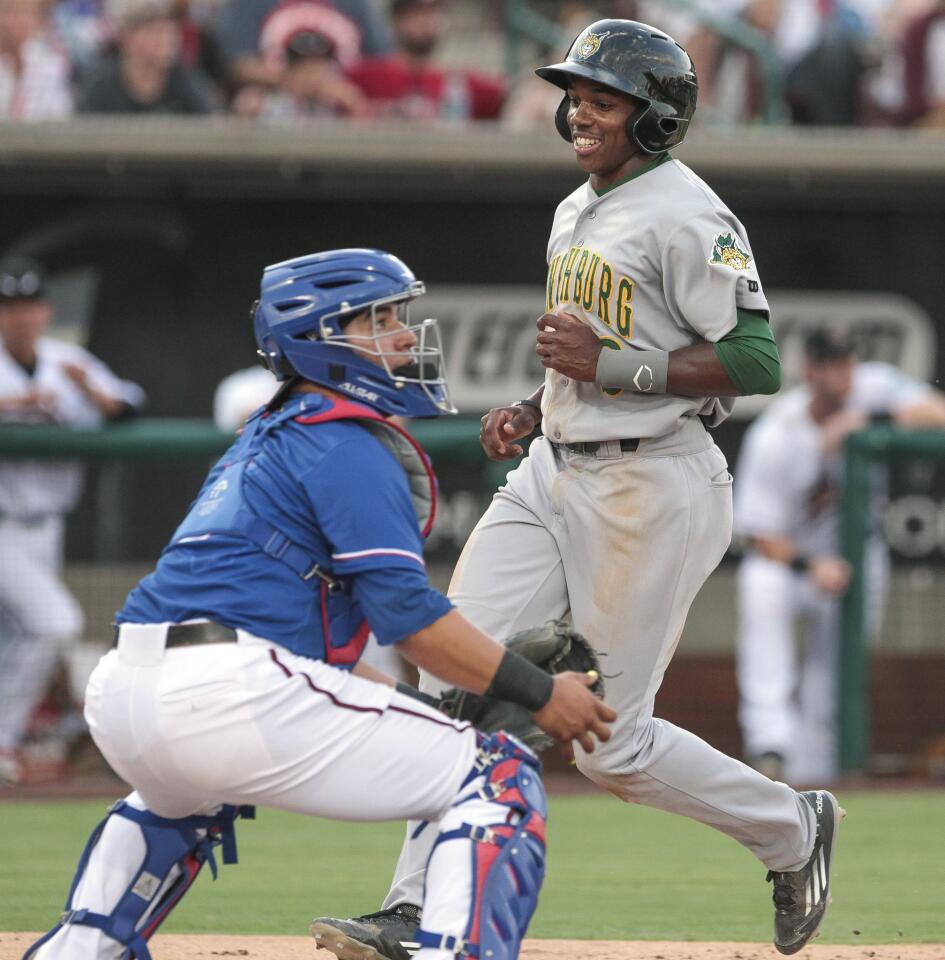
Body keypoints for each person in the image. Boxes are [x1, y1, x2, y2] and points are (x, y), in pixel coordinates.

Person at [310, 20, 844, 959]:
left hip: (652, 484)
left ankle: (792, 829)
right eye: (576, 93)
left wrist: (613, 370)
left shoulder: (691, 213)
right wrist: (533, 402)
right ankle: (414, 908)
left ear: (658, 117)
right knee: (454, 677)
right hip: (552, 469)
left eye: (604, 98)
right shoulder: (575, 207)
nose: (580, 111)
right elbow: (590, 351)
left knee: (611, 745)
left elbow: (755, 360)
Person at [23, 248, 615, 960]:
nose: (404, 335)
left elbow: (311, 653)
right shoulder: (345, 442)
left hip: (129, 689)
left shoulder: (263, 438)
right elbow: (408, 619)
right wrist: (539, 692)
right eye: (381, 319)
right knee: (497, 775)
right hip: (229, 690)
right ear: (321, 338)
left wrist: (425, 717)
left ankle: (79, 948)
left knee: (181, 799)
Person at [734, 328, 945, 784]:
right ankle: (769, 747)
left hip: (854, 556)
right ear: (810, 370)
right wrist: (812, 567)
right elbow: (759, 537)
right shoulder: (777, 432)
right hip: (793, 562)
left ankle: (818, 769)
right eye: (831, 364)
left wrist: (870, 419)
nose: (843, 373)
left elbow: (939, 414)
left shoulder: (874, 387)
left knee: (829, 677)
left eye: (847, 362)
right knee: (760, 585)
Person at [0, 256, 145, 789]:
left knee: (19, 634)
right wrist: (15, 403)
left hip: (47, 524)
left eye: (28, 305)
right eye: (9, 306)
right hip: (3, 523)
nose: (20, 316)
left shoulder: (66, 362)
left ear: (45, 311)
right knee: (53, 624)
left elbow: (129, 405)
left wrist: (97, 398)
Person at [346, 0, 505, 122]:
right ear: (396, 19)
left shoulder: (463, 84)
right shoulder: (364, 76)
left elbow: (512, 97)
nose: (426, 21)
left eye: (433, 12)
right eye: (417, 12)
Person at [77, 0, 216, 114]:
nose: (166, 39)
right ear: (128, 37)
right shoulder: (101, 85)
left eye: (171, 30)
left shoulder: (188, 82)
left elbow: (210, 130)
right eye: (157, 31)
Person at [0, 0, 73, 120]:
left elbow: (60, 116)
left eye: (27, 14)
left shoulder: (51, 65)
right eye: (12, 13)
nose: (20, 22)